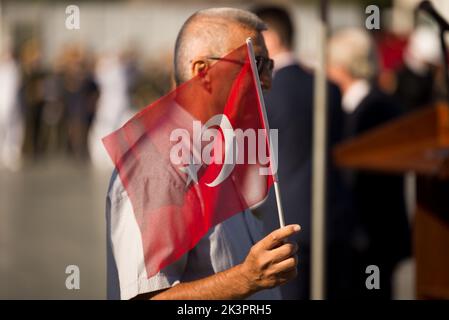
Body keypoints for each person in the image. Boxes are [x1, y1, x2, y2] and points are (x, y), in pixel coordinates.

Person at [106, 7, 300, 300]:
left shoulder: (226, 148)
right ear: (203, 72)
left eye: (269, 66)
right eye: (255, 64)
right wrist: (246, 279)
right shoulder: (157, 165)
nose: (267, 81)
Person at [251, 5, 351, 299]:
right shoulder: (329, 87)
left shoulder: (263, 93)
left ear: (271, 41)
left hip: (282, 222)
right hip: (333, 218)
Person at [327, 28, 411, 299]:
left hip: (372, 236)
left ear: (340, 67)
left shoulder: (377, 108)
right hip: (359, 236)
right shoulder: (353, 106)